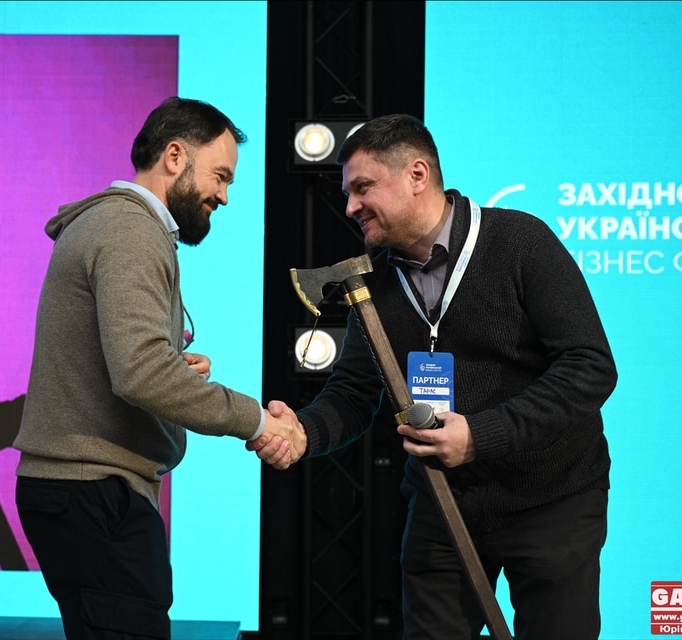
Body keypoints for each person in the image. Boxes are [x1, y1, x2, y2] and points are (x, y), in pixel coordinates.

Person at [254, 114, 617, 640]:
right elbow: (354, 393)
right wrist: (304, 432)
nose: (351, 206)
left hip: (550, 498)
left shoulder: (520, 241)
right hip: (442, 502)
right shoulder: (372, 281)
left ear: (417, 175)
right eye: (349, 193)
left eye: (362, 188)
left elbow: (590, 367)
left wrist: (480, 435)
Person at [13, 96, 302, 640]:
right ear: (174, 156)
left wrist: (172, 365)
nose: (224, 195)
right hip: (95, 492)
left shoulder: (114, 224)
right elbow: (141, 372)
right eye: (220, 175)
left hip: (85, 490)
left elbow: (127, 359)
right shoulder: (131, 230)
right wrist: (259, 421)